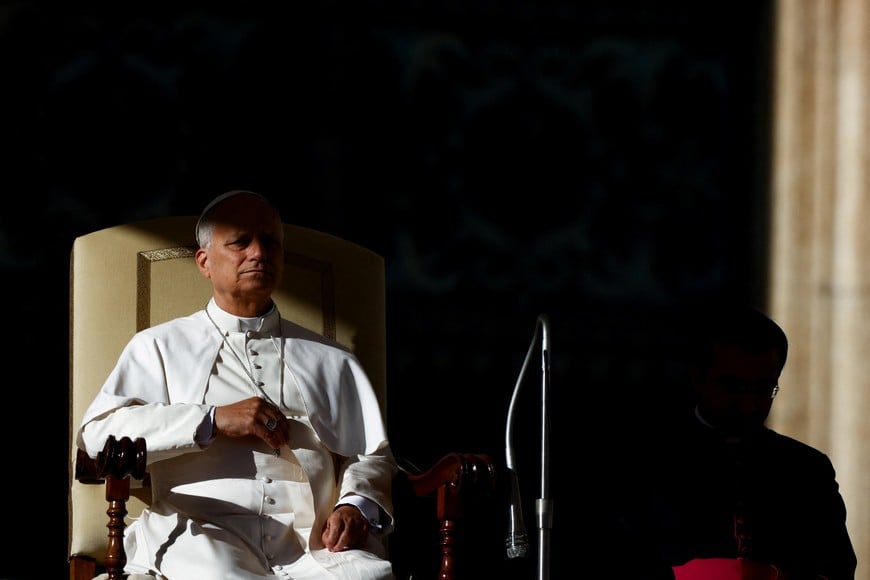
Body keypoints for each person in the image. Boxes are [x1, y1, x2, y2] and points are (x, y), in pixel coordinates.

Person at [76, 190, 397, 579]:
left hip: (312, 544)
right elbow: (98, 434)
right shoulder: (158, 346)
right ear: (204, 262)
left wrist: (355, 504)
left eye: (270, 242)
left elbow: (369, 454)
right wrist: (211, 420)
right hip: (203, 535)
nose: (259, 253)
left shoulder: (333, 358)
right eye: (241, 242)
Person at [617, 303, 857, 579]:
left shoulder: (807, 468)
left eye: (763, 388)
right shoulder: (645, 462)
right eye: (732, 387)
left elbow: (836, 567)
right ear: (699, 378)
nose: (747, 404)